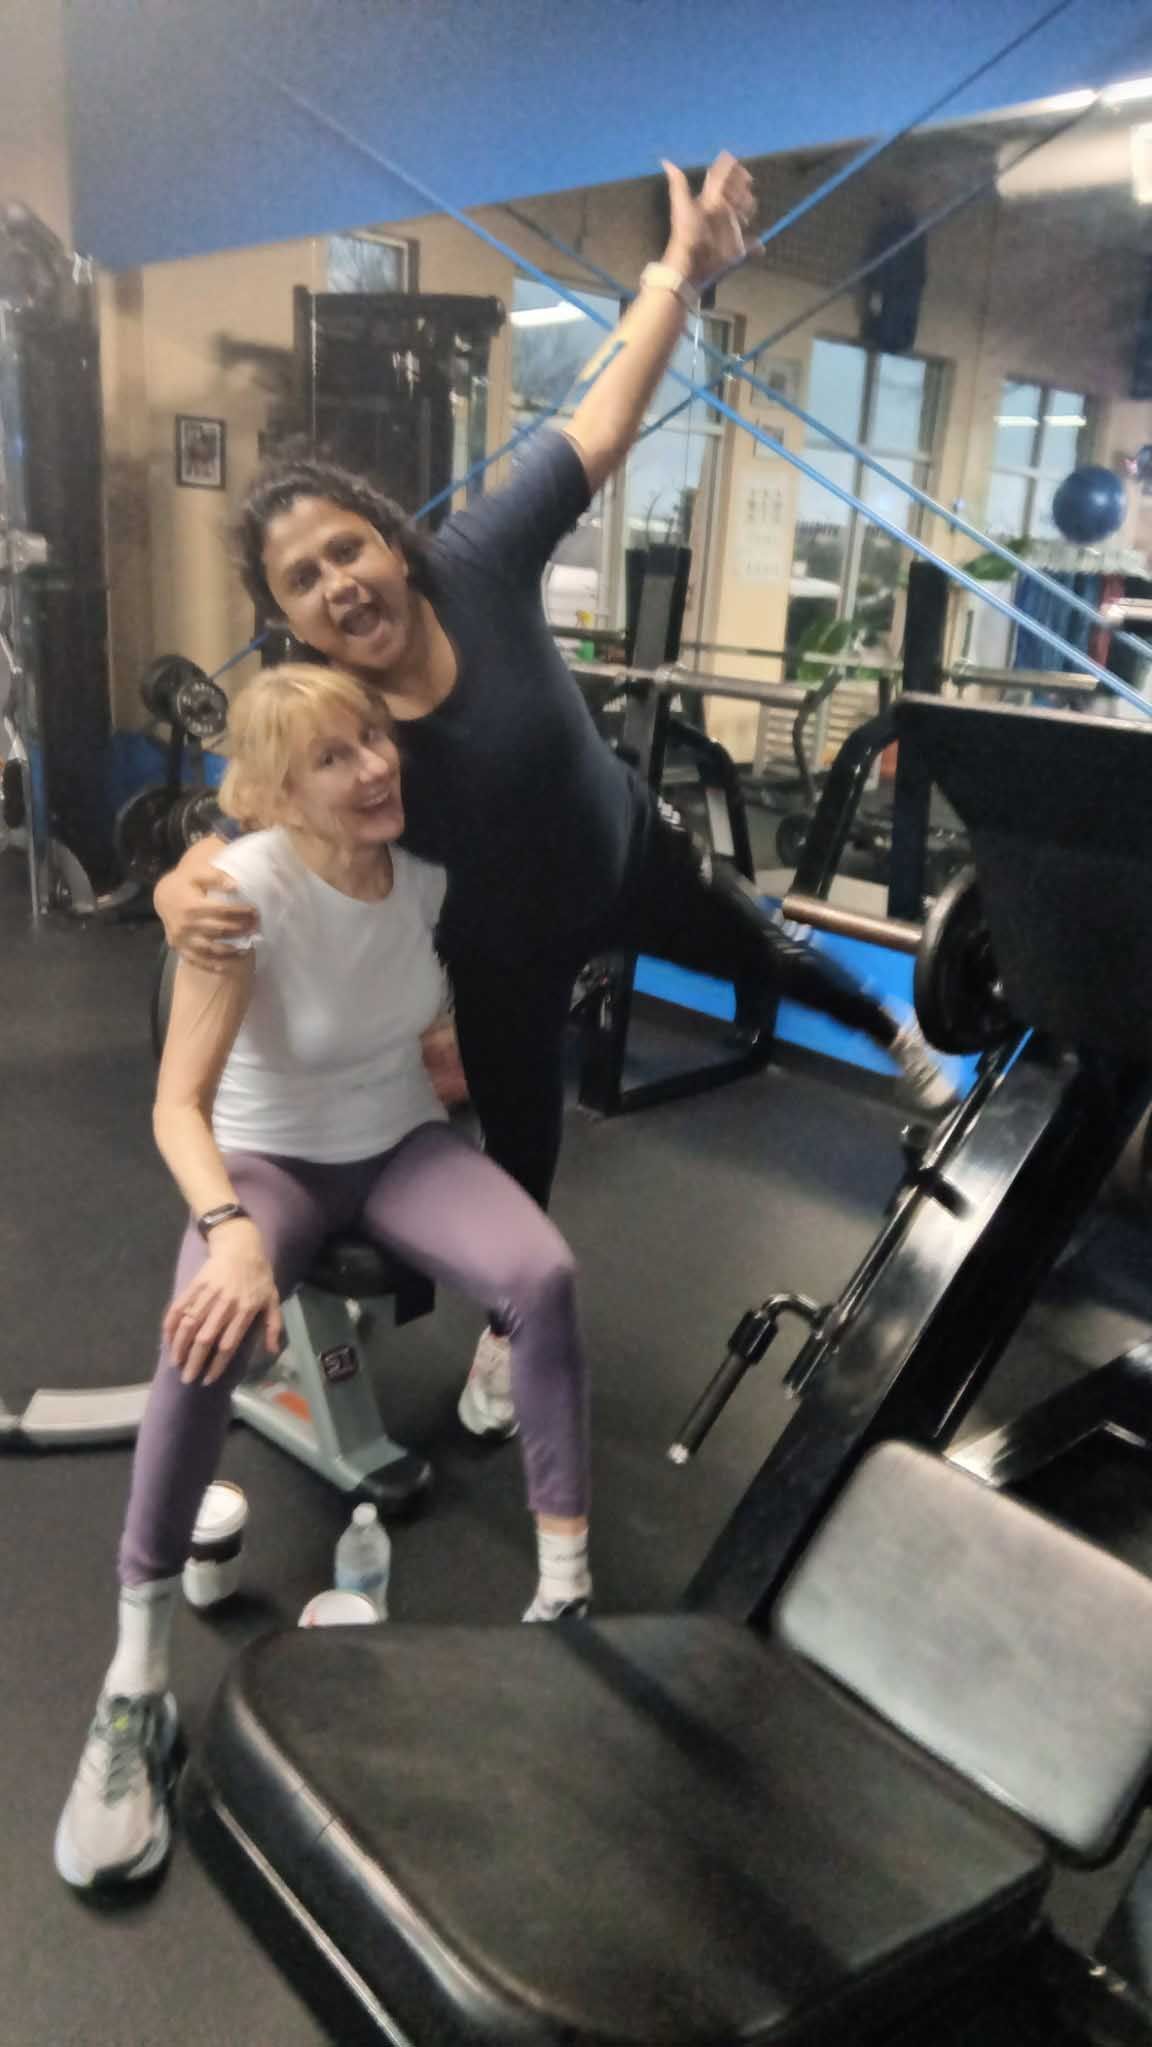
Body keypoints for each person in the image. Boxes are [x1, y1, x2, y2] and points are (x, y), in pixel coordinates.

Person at [156, 149, 953, 1442]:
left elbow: (601, 417)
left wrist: (678, 275)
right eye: (303, 579)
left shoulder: (478, 556)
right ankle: (505, 1337)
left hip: (627, 853)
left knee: (774, 949)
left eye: (346, 545)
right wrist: (174, 881)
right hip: (500, 955)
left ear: (386, 534)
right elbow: (242, 812)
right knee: (524, 1157)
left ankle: (901, 1039)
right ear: (286, 611)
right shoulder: (317, 700)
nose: (339, 583)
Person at [55, 663, 592, 1892]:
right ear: (276, 793)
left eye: (373, 742)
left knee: (544, 1273)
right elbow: (176, 1106)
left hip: (396, 1142)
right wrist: (230, 1227)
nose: (373, 768)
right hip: (263, 1155)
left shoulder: (427, 880)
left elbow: (431, 1025)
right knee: (201, 1331)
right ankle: (134, 1673)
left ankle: (564, 1595)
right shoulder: (241, 893)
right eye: (334, 760)